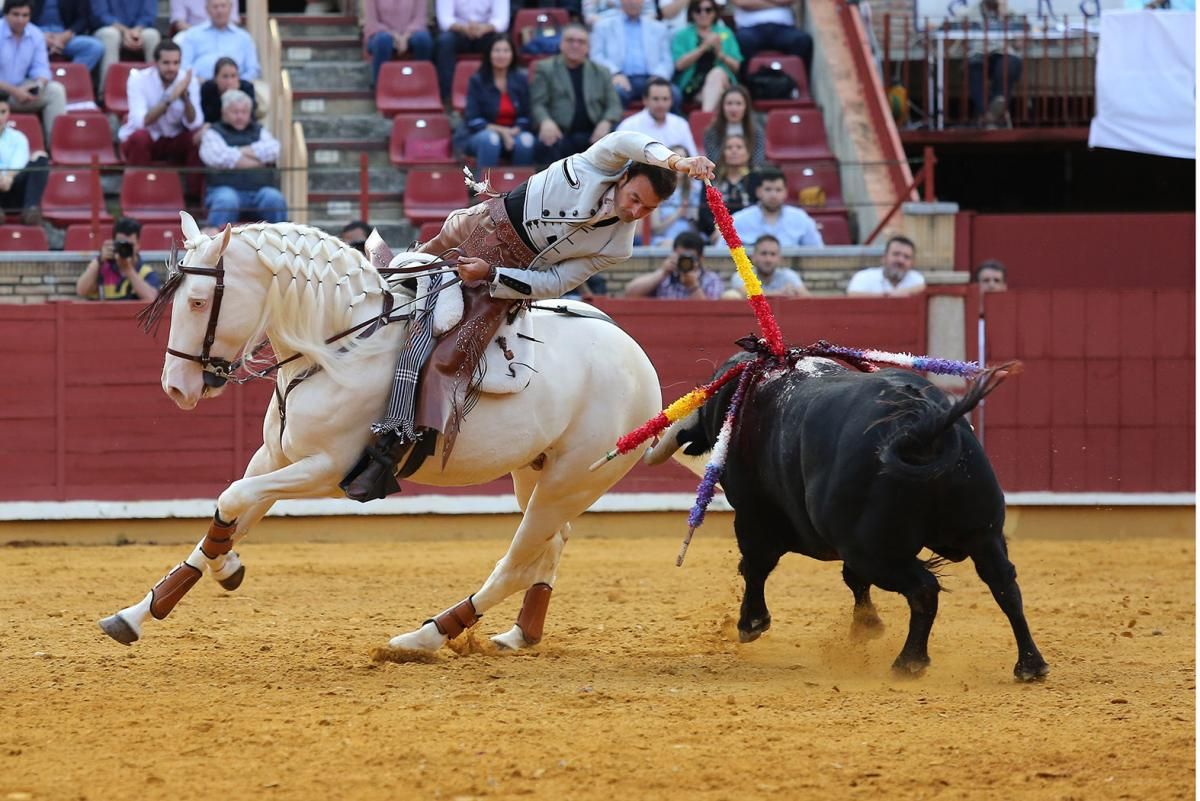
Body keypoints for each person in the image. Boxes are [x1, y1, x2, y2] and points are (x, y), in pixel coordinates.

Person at [341, 130, 715, 501]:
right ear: (623, 178)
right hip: (478, 224)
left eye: (647, 209)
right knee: (394, 288)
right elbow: (626, 141)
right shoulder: (595, 165)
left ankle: (390, 448)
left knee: (453, 352)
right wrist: (677, 161)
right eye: (634, 198)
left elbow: (554, 281)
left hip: (501, 280)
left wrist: (491, 275)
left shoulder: (619, 246)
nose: (634, 211)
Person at [119, 41, 204, 195]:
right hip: (147, 138)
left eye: (176, 63)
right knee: (140, 138)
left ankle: (194, 199)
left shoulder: (187, 80)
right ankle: (137, 194)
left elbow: (195, 123)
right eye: (166, 63)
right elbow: (141, 122)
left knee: (198, 138)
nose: (172, 68)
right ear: (155, 63)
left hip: (174, 139)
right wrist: (170, 98)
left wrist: (185, 99)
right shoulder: (138, 79)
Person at [529, 23, 622, 164]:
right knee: (544, 143)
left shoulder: (601, 71)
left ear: (588, 48)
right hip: (560, 134)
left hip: (593, 133)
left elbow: (614, 105)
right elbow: (537, 103)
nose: (575, 45)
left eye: (581, 42)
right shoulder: (545, 68)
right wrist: (545, 121)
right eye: (570, 40)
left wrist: (606, 122)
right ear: (561, 44)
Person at [199, 88, 286, 228]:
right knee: (226, 200)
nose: (240, 116)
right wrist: (258, 161)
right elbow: (219, 158)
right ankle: (215, 244)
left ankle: (282, 243)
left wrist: (237, 152)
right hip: (223, 189)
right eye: (235, 112)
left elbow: (274, 150)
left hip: (259, 191)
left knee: (274, 198)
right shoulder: (213, 133)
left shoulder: (260, 130)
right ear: (224, 113)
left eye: (244, 112)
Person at [454, 36, 534, 169]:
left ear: (512, 54)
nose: (501, 55)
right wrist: (503, 132)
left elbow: (527, 116)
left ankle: (521, 189)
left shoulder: (521, 80)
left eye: (506, 51)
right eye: (496, 51)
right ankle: (485, 188)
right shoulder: (477, 81)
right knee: (490, 140)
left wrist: (515, 130)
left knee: (526, 141)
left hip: (514, 133)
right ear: (489, 54)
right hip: (479, 134)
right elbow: (473, 119)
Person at [590, 0, 678, 110]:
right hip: (619, 78)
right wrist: (615, 73)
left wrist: (658, 77)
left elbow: (667, 60)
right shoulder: (603, 26)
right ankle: (617, 127)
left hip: (651, 77)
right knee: (616, 94)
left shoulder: (658, 28)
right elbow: (596, 56)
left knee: (674, 94)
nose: (633, 2)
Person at [0, 0, 67, 141]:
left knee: (55, 91)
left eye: (25, 15)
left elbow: (41, 68)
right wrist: (14, 91)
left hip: (19, 94)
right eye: (16, 14)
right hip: (6, 91)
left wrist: (37, 87)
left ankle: (56, 147)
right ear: (5, 14)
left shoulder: (36, 34)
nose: (20, 19)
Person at [671, 0, 741, 112]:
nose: (703, 14)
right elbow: (679, 65)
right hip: (693, 84)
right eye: (698, 10)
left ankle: (705, 115)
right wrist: (702, 48)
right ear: (692, 13)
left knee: (717, 73)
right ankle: (708, 118)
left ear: (714, 13)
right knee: (718, 95)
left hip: (723, 81)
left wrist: (720, 54)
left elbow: (736, 66)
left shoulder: (726, 33)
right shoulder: (682, 35)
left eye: (708, 10)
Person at [433, 0, 508, 101]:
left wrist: (484, 28)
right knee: (444, 42)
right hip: (458, 31)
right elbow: (445, 20)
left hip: (486, 31)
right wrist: (463, 28)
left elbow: (502, 20)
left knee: (500, 42)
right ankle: (447, 97)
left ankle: (496, 93)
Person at [730, 166, 823, 247]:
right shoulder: (739, 220)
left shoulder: (801, 219)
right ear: (758, 192)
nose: (773, 195)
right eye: (768, 189)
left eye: (778, 190)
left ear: (785, 192)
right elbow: (721, 254)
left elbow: (818, 253)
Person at [75, 216, 162, 301]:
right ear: (114, 243)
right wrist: (99, 260)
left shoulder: (145, 272)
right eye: (121, 245)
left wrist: (128, 270)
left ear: (138, 244)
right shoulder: (102, 269)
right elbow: (81, 291)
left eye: (129, 245)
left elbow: (152, 299)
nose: (125, 249)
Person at [966, 0, 1021, 128]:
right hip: (979, 54)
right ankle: (991, 113)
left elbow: (1019, 44)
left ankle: (988, 116)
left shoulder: (1012, 13)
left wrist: (1004, 17)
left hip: (1005, 53)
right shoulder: (970, 13)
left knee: (1006, 66)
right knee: (974, 67)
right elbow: (952, 33)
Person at [729, 0, 813, 83]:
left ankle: (794, 85)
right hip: (749, 29)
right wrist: (779, 4)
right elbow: (741, 2)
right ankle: (747, 86)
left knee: (802, 41)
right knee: (741, 41)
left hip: (783, 28)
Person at [624, 230, 724, 299]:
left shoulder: (711, 280)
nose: (685, 261)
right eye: (681, 256)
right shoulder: (665, 276)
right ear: (674, 253)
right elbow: (630, 293)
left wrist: (693, 286)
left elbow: (710, 314)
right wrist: (662, 272)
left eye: (690, 258)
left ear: (701, 258)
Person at [178, 0, 260, 81]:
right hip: (200, 88)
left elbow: (253, 69)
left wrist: (236, 83)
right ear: (207, 9)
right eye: (215, 7)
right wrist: (197, 81)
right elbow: (184, 66)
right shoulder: (192, 34)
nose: (219, 11)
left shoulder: (244, 37)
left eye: (223, 6)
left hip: (236, 90)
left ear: (231, 8)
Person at [0, 91, 49, 224]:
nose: (0, 117)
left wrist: (8, 177)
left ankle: (30, 210)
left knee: (40, 159)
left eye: (3, 112)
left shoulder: (18, 137)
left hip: (14, 186)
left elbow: (19, 162)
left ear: (9, 112)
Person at [616, 77, 697, 155]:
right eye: (655, 99)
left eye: (665, 99)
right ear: (645, 100)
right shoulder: (628, 127)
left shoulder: (681, 124)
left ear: (671, 100)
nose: (661, 104)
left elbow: (693, 157)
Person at [363, 0, 433, 89]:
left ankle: (422, 85)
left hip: (411, 33)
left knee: (423, 40)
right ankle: (381, 89)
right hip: (381, 33)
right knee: (383, 41)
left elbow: (419, 20)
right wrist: (395, 36)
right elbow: (372, 23)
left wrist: (405, 37)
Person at [93, 0, 161, 90]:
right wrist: (125, 31)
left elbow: (148, 15)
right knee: (110, 35)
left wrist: (136, 31)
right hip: (110, 28)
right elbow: (101, 15)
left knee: (152, 35)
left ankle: (155, 89)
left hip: (139, 30)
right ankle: (106, 91)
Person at [697, 133, 752, 238]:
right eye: (729, 147)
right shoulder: (711, 178)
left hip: (748, 233)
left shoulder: (756, 179)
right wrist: (720, 231)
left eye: (739, 147)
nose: (734, 150)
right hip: (715, 235)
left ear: (748, 153)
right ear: (723, 153)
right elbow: (704, 211)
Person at [31, 0, 104, 75]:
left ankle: (68, 79)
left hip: (64, 34)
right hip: (32, 35)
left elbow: (83, 18)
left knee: (94, 47)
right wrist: (39, 36)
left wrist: (68, 34)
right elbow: (21, 16)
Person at [724, 234, 807, 298]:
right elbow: (748, 294)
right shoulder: (743, 275)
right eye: (763, 254)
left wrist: (796, 293)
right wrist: (782, 294)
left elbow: (807, 298)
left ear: (780, 258)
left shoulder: (788, 275)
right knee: (730, 295)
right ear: (753, 257)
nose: (768, 259)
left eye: (773, 254)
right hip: (750, 319)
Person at [647, 144, 699, 245]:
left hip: (690, 241)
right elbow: (656, 229)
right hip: (664, 241)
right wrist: (678, 213)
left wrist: (691, 216)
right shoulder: (657, 191)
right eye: (675, 159)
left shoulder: (695, 192)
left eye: (683, 159)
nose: (679, 165)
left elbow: (699, 229)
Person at [702, 84, 763, 165]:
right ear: (722, 106)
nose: (734, 109)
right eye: (729, 103)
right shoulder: (712, 132)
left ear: (746, 107)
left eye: (738, 104)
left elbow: (758, 161)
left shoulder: (756, 131)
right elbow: (713, 160)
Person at [845, 234, 925, 297]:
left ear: (912, 263)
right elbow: (852, 295)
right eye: (896, 254)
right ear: (884, 257)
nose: (901, 260)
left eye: (906, 257)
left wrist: (905, 292)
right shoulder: (864, 277)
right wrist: (888, 297)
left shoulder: (917, 279)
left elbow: (927, 289)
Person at [199, 56, 254, 124]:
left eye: (233, 76)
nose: (229, 81)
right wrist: (226, 96)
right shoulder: (208, 89)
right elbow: (208, 118)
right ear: (215, 78)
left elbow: (250, 117)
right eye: (225, 76)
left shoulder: (247, 88)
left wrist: (235, 94)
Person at [169, 0, 241, 35]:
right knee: (180, 38)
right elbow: (179, 23)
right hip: (193, 34)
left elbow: (233, 21)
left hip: (224, 31)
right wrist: (203, 33)